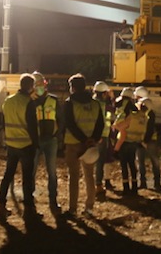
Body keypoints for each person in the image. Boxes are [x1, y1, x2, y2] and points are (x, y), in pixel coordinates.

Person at [0, 73, 40, 223]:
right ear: (31, 87)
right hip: (26, 145)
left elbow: (4, 123)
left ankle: (1, 205)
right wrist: (36, 144)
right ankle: (29, 209)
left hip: (11, 144)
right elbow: (32, 127)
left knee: (8, 175)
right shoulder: (28, 102)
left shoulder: (8, 101)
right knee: (27, 178)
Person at [62, 73, 105, 218]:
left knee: (74, 177)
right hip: (90, 146)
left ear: (72, 88)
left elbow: (69, 124)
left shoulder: (69, 103)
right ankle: (89, 207)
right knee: (89, 176)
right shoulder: (95, 104)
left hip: (74, 144)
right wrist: (93, 139)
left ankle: (73, 209)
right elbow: (100, 124)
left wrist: (82, 139)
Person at [30, 71, 62, 215]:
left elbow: (61, 120)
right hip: (35, 141)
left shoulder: (53, 100)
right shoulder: (29, 102)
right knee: (31, 172)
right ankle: (29, 199)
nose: (39, 87)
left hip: (50, 141)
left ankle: (53, 200)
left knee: (52, 172)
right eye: (36, 85)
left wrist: (57, 135)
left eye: (41, 84)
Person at [112, 87, 145, 196]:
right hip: (133, 142)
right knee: (132, 164)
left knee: (124, 165)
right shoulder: (136, 112)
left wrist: (115, 127)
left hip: (124, 141)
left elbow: (120, 126)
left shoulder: (125, 112)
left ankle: (126, 188)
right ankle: (134, 187)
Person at [134, 87, 161, 191]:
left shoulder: (144, 114)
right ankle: (157, 183)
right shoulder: (151, 113)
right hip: (148, 141)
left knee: (141, 162)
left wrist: (144, 141)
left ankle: (143, 183)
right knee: (154, 162)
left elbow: (148, 129)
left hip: (143, 140)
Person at [92, 81, 114, 200]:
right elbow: (114, 114)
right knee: (100, 161)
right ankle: (98, 185)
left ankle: (93, 185)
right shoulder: (106, 105)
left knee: (91, 161)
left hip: (91, 135)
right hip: (102, 136)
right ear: (105, 93)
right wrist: (112, 99)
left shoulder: (91, 102)